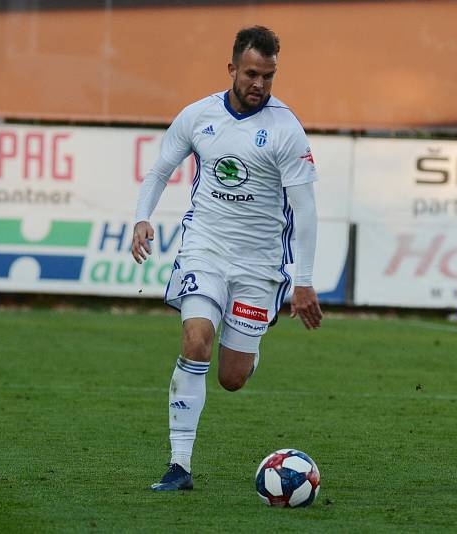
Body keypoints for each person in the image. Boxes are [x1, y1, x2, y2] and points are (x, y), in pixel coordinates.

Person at [131, 26, 323, 491]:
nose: (259, 84)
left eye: (269, 76)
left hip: (258, 265)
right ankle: (180, 465)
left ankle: (248, 353)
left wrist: (304, 280)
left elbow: (306, 209)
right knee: (196, 339)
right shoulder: (198, 116)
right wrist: (141, 218)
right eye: (252, 74)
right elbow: (160, 170)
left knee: (232, 378)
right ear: (233, 68)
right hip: (206, 249)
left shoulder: (285, 128)